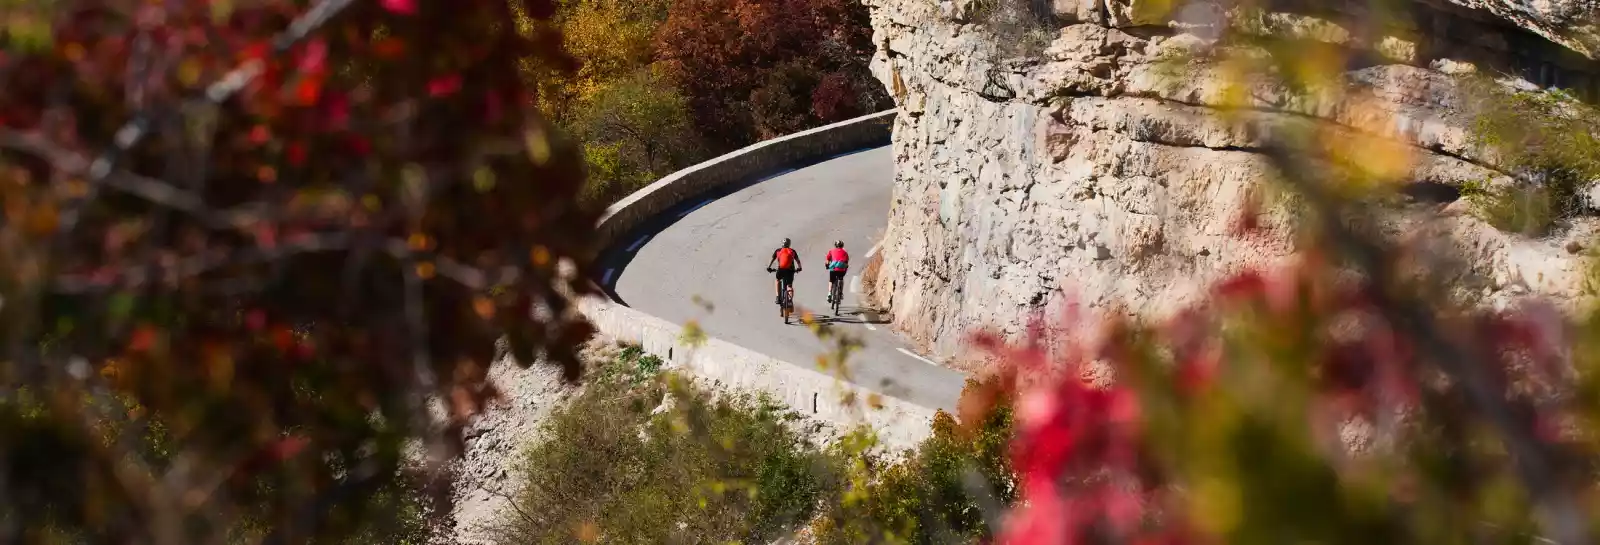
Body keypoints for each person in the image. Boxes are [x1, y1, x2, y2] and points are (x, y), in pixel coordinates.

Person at [767, 238, 802, 305]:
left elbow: (772, 260)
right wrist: (799, 268)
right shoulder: (792, 251)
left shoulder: (778, 251)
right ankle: (790, 300)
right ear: (789, 244)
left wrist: (769, 267)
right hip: (790, 270)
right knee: (789, 285)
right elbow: (798, 260)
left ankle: (778, 297)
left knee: (777, 280)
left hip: (781, 270)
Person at [825, 240, 849, 304]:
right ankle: (840, 293)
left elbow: (827, 259)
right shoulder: (845, 252)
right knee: (841, 279)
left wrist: (827, 265)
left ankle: (829, 293)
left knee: (831, 280)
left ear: (835, 245)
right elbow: (846, 263)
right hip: (841, 270)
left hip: (833, 269)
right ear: (842, 246)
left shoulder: (831, 251)